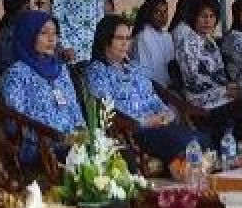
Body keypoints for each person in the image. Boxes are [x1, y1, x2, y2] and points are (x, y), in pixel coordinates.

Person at [87, 16, 206, 168]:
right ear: (105, 40)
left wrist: (166, 114)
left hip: (158, 126)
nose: (125, 44)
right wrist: (145, 122)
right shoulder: (97, 71)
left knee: (202, 139)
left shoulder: (133, 68)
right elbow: (106, 110)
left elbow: (153, 98)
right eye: (119, 38)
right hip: (132, 131)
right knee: (185, 143)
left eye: (128, 38)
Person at [173, 0, 242, 145]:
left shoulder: (210, 41)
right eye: (203, 16)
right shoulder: (189, 43)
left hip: (221, 96)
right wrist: (226, 90)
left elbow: (219, 76)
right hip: (202, 101)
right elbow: (194, 80)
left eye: (212, 16)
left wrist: (233, 88)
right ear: (194, 18)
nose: (208, 21)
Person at [0, 11, 85, 165]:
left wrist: (82, 134)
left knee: (114, 153)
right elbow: (14, 121)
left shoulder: (61, 70)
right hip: (40, 147)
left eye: (55, 33)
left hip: (71, 142)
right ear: (28, 35)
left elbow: (74, 107)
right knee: (86, 160)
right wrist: (53, 136)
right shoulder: (16, 74)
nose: (52, 39)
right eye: (44, 33)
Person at [131, 0, 175, 87]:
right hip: (152, 89)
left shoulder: (167, 36)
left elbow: (171, 67)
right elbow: (144, 73)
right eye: (157, 12)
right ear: (149, 14)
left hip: (168, 88)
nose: (163, 16)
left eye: (165, 11)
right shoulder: (142, 37)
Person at [0, 0, 30, 74]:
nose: (30, 12)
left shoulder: (6, 28)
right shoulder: (11, 33)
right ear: (17, 10)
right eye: (27, 8)